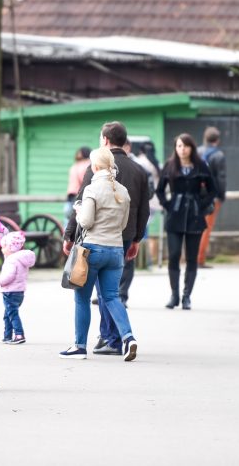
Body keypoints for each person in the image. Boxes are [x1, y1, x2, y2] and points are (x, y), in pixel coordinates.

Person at [64, 122, 148, 353]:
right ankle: (126, 337)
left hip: (93, 247)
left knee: (82, 298)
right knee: (112, 296)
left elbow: (86, 219)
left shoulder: (93, 183)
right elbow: (136, 215)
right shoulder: (130, 183)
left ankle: (80, 346)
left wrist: (72, 229)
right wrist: (136, 239)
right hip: (118, 246)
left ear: (105, 141)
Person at [156, 133, 217, 311]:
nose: (182, 149)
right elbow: (159, 190)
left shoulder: (201, 165)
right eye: (179, 146)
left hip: (195, 217)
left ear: (192, 147)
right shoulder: (169, 165)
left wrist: (201, 204)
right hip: (175, 215)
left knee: (192, 258)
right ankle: (174, 294)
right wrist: (168, 205)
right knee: (174, 255)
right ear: (175, 148)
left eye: (185, 146)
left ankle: (186, 296)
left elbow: (213, 190)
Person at [0, 231, 36, 345]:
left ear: (11, 247)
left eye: (4, 247)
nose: (2, 249)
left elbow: (9, 276)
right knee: (8, 314)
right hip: (19, 292)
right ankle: (7, 336)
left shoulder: (11, 260)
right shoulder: (20, 259)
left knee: (12, 314)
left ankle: (19, 334)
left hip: (10, 292)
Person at [197, 126, 227, 267]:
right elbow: (221, 178)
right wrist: (221, 195)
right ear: (217, 140)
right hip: (211, 197)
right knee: (206, 228)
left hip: (196, 195)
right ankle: (199, 259)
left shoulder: (197, 151)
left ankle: (190, 257)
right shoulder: (219, 155)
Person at [135, 141, 163, 263]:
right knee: (145, 229)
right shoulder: (157, 164)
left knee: (141, 231)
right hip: (154, 202)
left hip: (142, 201)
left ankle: (144, 260)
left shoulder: (138, 161)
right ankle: (148, 261)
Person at [64, 146, 92, 223]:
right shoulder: (87, 165)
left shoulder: (74, 166)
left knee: (68, 221)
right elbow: (84, 181)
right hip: (79, 195)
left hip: (70, 195)